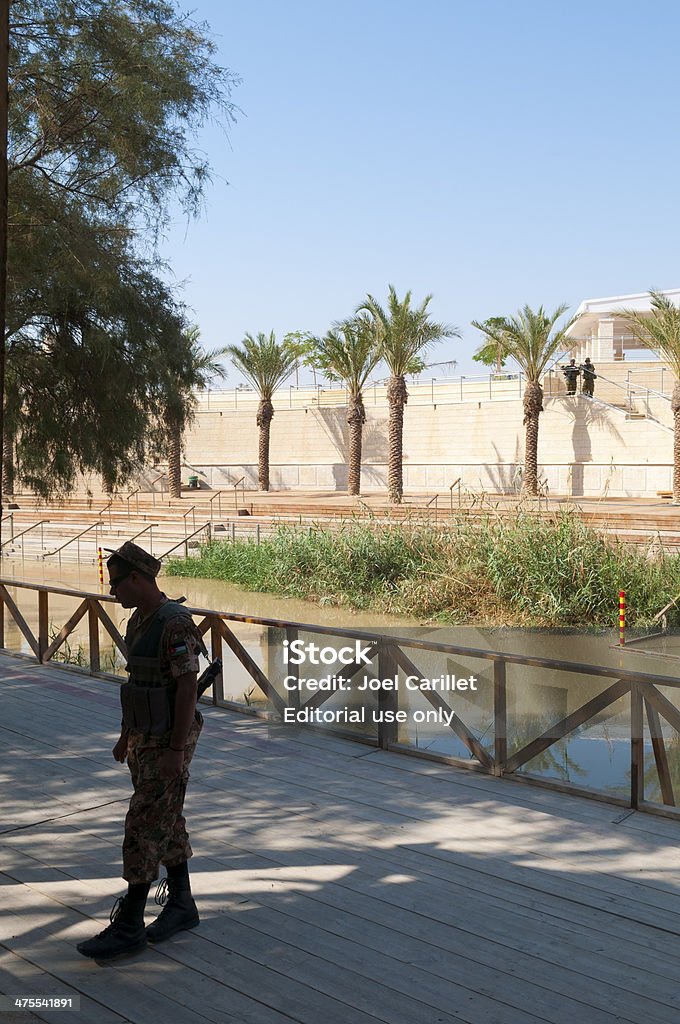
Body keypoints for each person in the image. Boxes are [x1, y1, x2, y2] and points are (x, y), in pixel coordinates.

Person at [77, 541, 208, 961]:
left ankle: (130, 922)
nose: (113, 593)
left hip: (169, 740)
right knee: (166, 819)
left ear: (138, 578)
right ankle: (182, 905)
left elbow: (187, 687)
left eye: (117, 583)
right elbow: (138, 685)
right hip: (144, 738)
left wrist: (174, 749)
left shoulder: (175, 624)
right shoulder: (139, 623)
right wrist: (124, 735)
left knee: (141, 826)